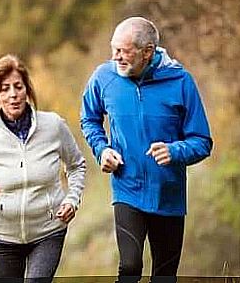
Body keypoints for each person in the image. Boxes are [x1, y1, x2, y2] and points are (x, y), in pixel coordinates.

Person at [80, 17, 212, 283]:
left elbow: (202, 141)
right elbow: (89, 119)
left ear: (148, 52)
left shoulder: (181, 82)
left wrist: (175, 151)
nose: (115, 57)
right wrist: (102, 149)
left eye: (123, 51)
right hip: (127, 189)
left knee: (164, 275)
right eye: (113, 49)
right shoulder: (104, 77)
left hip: (168, 196)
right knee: (129, 267)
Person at [0, 54, 86, 283]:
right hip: (2, 237)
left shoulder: (53, 126)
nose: (13, 95)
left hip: (48, 230)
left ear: (27, 90)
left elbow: (76, 165)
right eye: (5, 89)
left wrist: (71, 200)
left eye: (18, 87)